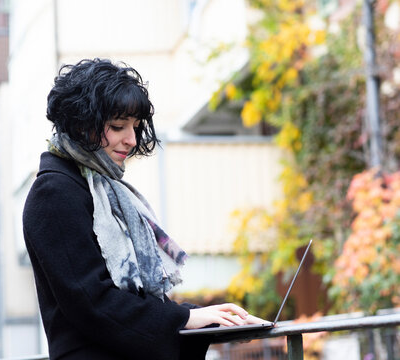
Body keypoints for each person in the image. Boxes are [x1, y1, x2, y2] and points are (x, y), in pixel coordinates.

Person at [23, 58, 264, 360]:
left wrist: (210, 319)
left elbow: (125, 300)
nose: (132, 140)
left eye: (135, 127)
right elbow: (93, 303)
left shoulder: (97, 187)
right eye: (117, 126)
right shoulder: (55, 193)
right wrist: (185, 320)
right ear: (79, 123)